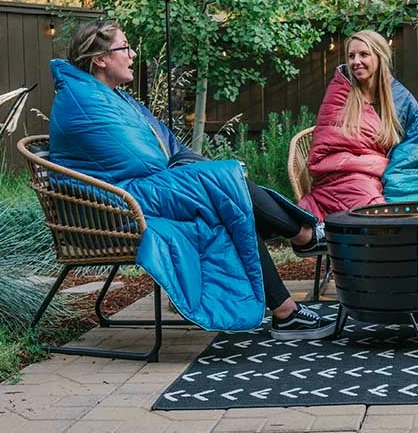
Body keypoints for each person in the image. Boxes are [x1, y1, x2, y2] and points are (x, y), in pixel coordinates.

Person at [47, 19, 334, 341]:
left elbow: (168, 147)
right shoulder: (83, 100)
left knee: (226, 199)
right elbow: (147, 160)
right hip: (116, 205)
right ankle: (304, 236)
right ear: (100, 58)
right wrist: (190, 168)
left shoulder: (111, 97)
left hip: (141, 191)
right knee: (224, 184)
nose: (133, 54)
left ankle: (286, 310)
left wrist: (190, 164)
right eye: (125, 47)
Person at [298, 29, 418, 220]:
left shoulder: (401, 98)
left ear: (380, 57)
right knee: (372, 207)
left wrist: (392, 173)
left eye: (364, 54)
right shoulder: (339, 94)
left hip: (392, 170)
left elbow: (415, 142)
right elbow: (327, 147)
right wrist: (374, 166)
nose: (356, 61)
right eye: (351, 56)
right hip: (347, 176)